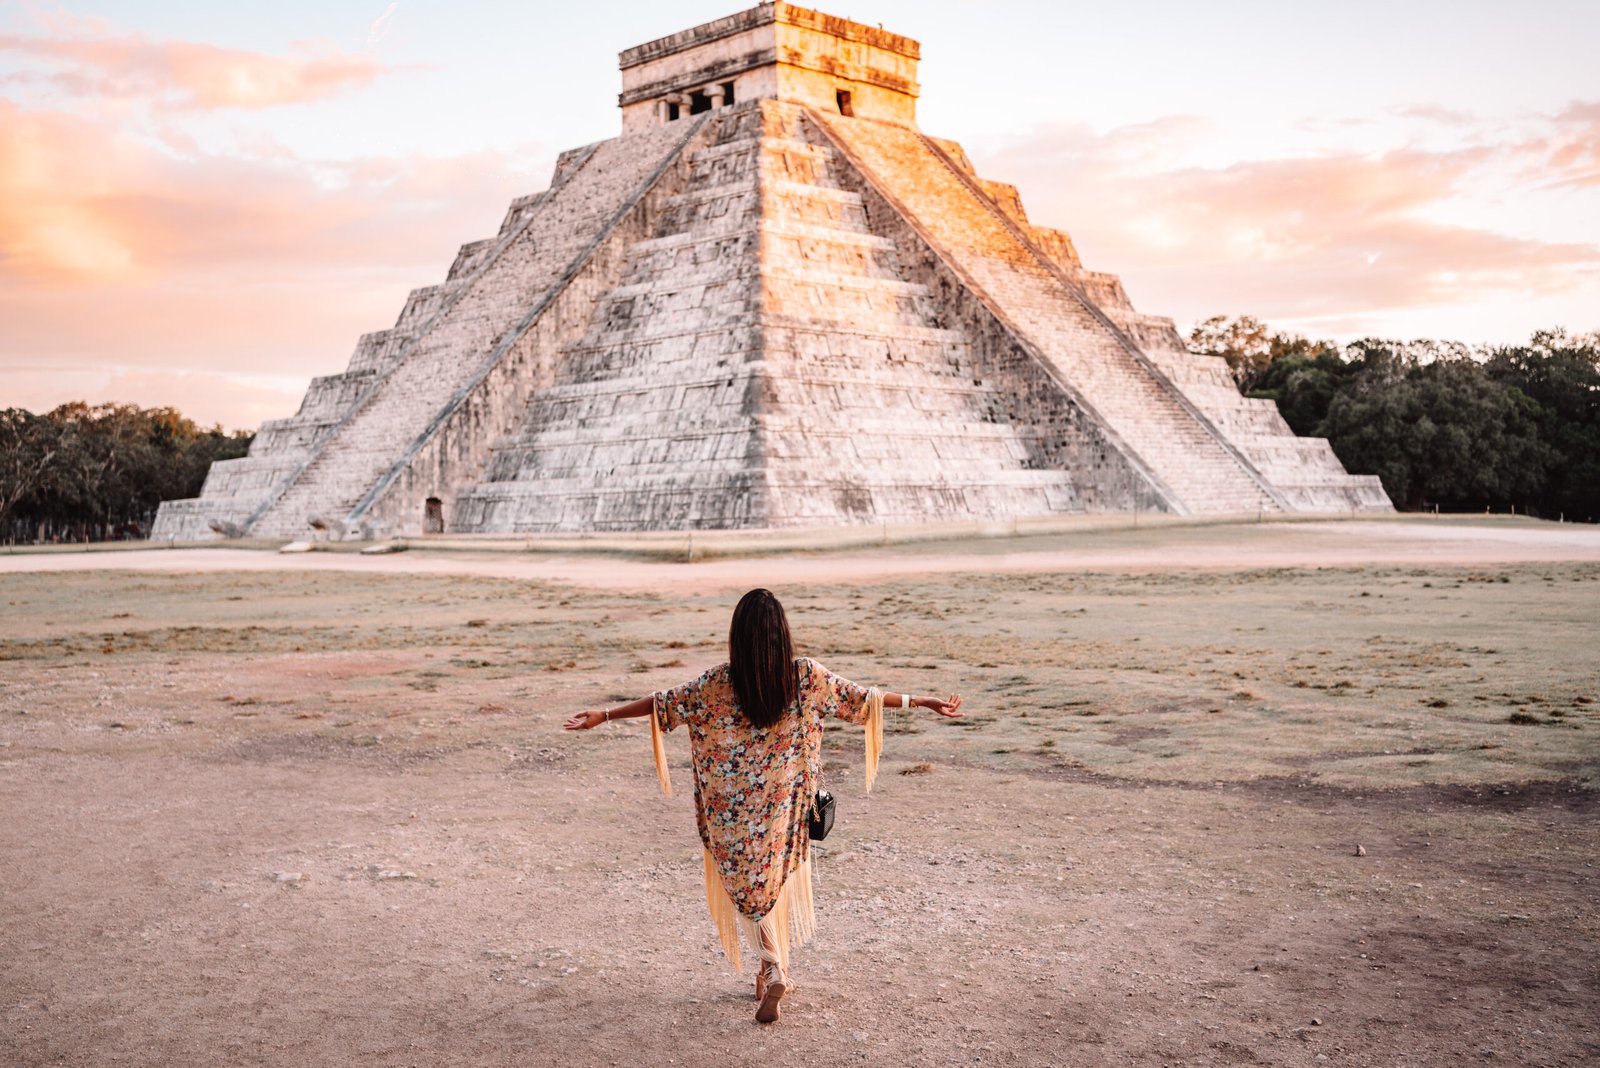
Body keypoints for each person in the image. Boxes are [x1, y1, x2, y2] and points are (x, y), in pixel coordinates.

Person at [564, 587, 963, 1024]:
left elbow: (662, 704)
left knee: (749, 893)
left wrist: (603, 715)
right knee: (771, 885)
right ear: (782, 635)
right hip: (782, 811)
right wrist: (920, 701)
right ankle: (769, 969)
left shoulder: (716, 684)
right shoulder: (806, 676)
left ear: (738, 635)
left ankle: (772, 966)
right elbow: (862, 698)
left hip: (732, 818)